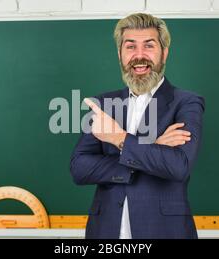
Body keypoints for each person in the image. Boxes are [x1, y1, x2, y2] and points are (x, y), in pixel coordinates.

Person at [70, 13, 205, 239]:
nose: (139, 56)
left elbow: (178, 166)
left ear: (165, 53)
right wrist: (152, 147)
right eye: (130, 47)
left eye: (149, 46)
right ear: (120, 55)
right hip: (105, 234)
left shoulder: (186, 102)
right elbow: (80, 168)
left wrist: (119, 139)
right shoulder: (103, 104)